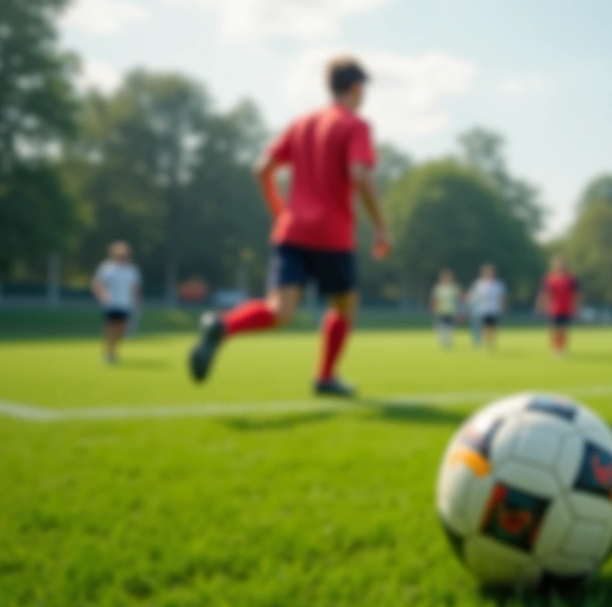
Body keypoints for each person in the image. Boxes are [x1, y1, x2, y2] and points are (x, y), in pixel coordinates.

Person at [188, 56, 389, 396]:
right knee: (345, 306)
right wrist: (381, 225)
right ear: (356, 87)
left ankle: (223, 325)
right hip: (332, 234)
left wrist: (280, 212)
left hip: (292, 232)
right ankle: (325, 376)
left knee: (279, 311)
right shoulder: (355, 125)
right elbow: (359, 173)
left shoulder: (302, 123)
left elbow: (261, 169)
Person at [90, 241, 141, 364]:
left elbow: (135, 288)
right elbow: (97, 284)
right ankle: (109, 353)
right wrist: (103, 297)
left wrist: (136, 301)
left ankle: (113, 351)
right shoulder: (107, 268)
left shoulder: (132, 270)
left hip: (126, 304)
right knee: (111, 329)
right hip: (111, 304)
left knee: (121, 330)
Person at [535, 255, 581, 356]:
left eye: (562, 264)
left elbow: (576, 295)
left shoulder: (571, 279)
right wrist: (539, 306)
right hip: (553, 309)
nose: (561, 266)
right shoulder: (549, 279)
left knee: (563, 330)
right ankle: (555, 349)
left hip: (566, 308)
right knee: (554, 330)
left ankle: (562, 349)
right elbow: (544, 294)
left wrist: (576, 308)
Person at [467, 264, 506, 350]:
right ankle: (485, 343)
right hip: (482, 309)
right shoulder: (479, 284)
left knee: (492, 327)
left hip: (494, 309)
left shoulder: (498, 284)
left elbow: (501, 297)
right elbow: (473, 295)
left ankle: (491, 343)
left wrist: (501, 307)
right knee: (484, 327)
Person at [431, 269, 461, 349]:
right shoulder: (439, 288)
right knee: (442, 326)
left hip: (451, 310)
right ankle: (443, 341)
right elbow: (435, 299)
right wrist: (434, 308)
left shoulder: (454, 288)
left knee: (450, 327)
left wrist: (459, 310)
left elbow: (458, 299)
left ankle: (448, 341)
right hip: (441, 310)